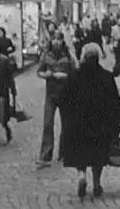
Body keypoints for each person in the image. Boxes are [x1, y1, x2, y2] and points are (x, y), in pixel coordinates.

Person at [59, 43, 120, 198]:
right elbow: (115, 101)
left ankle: (82, 175)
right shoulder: (106, 76)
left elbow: (63, 99)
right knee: (98, 153)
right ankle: (96, 184)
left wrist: (67, 116)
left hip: (77, 122)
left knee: (80, 151)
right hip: (100, 123)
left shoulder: (74, 76)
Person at [36, 31, 79, 167]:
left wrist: (65, 76)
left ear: (62, 41)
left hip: (66, 94)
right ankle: (45, 155)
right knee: (48, 124)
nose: (56, 42)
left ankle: (64, 152)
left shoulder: (68, 55)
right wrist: (47, 74)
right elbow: (39, 71)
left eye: (58, 40)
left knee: (66, 124)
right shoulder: (46, 55)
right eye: (54, 40)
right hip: (51, 94)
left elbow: (76, 72)